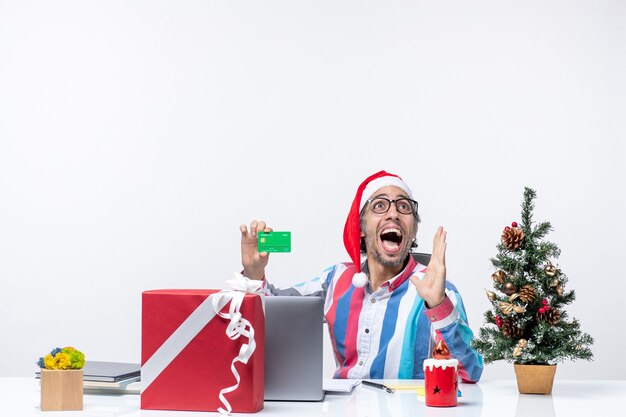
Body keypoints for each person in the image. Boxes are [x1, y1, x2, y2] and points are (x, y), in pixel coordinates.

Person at [240, 170, 483, 382]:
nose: (393, 214)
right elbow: (272, 314)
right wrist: (254, 272)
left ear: (413, 229)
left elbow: (470, 373)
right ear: (362, 229)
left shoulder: (440, 292)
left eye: (404, 206)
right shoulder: (335, 280)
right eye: (379, 206)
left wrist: (438, 306)